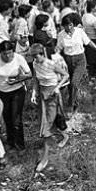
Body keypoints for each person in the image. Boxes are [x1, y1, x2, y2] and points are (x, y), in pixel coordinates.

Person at [28, 43, 70, 173]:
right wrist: (34, 92)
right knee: (46, 123)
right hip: (42, 95)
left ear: (42, 54)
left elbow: (66, 75)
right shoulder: (35, 64)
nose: (35, 58)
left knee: (47, 127)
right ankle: (64, 135)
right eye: (33, 56)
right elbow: (35, 79)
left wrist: (57, 87)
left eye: (37, 56)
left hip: (52, 95)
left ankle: (44, 158)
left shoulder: (50, 64)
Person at [56, 13, 96, 113]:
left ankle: (70, 106)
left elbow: (89, 42)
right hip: (68, 61)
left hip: (80, 60)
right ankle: (75, 104)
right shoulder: (61, 35)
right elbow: (59, 48)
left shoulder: (79, 32)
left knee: (74, 82)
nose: (67, 28)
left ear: (72, 25)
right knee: (70, 85)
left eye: (69, 25)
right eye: (65, 26)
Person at [0, 40, 32, 150]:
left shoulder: (19, 58)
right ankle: (10, 141)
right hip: (3, 92)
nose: (8, 56)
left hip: (17, 91)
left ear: (13, 51)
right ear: (0, 53)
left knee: (16, 119)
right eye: (5, 53)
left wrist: (18, 80)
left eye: (10, 53)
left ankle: (20, 145)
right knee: (7, 118)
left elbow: (29, 74)